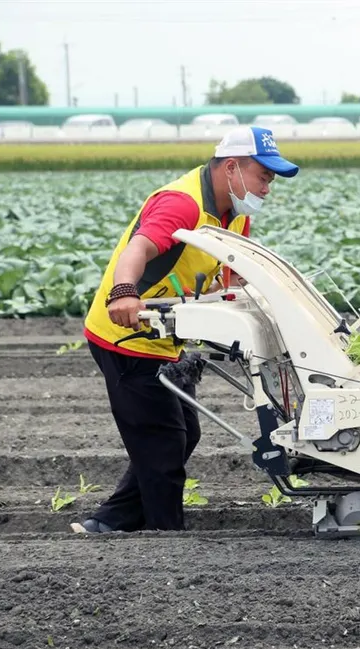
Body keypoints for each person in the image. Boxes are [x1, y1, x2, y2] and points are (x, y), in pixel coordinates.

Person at [70, 126, 299, 534]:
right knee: (163, 442)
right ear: (231, 167)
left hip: (165, 335)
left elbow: (228, 276)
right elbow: (139, 246)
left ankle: (110, 521)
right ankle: (167, 539)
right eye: (263, 177)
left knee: (183, 434)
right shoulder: (182, 203)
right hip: (126, 336)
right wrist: (123, 293)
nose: (267, 189)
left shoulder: (235, 214)